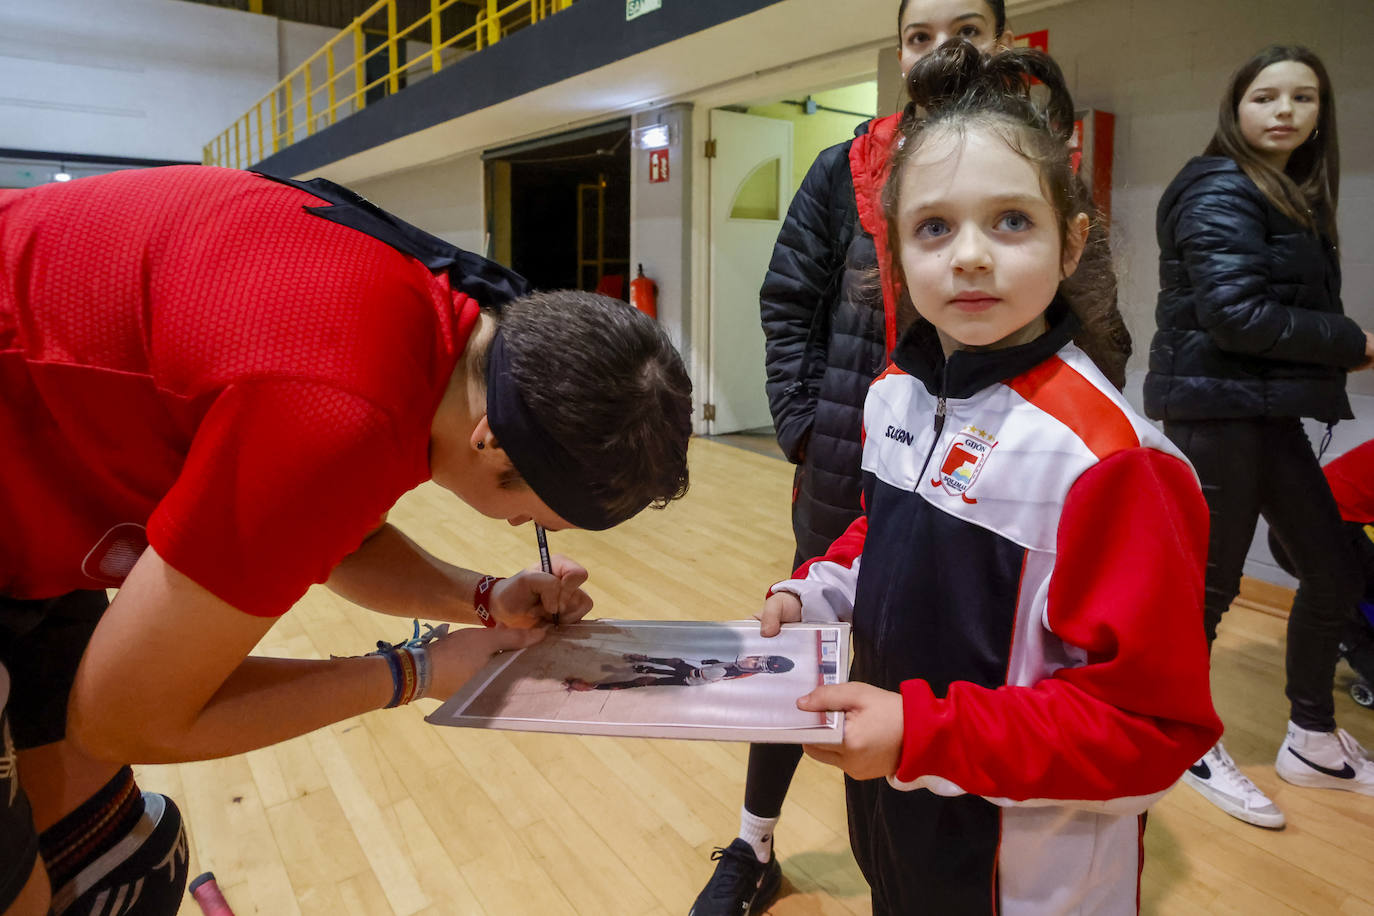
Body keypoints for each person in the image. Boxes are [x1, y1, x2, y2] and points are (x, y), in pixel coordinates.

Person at [0, 165, 693, 916]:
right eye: (534, 518)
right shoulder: (336, 413)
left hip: (39, 471)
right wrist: (415, 672)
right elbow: (121, 719)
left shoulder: (433, 317)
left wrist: (485, 598)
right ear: (495, 440)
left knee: (104, 853)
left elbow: (335, 540)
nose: (529, 530)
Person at [760, 42, 1223, 914]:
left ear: (1071, 238)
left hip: (1027, 879)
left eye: (1011, 220)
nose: (970, 255)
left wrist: (922, 733)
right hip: (901, 827)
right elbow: (884, 534)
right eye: (934, 227)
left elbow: (1151, 732)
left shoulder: (1112, 463)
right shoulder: (897, 390)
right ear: (895, 253)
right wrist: (818, 592)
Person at [692, 5, 1016, 914]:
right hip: (847, 462)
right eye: (918, 36)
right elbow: (789, 298)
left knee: (953, 658)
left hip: (977, 468)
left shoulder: (1032, 168)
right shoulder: (847, 169)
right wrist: (805, 424)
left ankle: (939, 867)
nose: (941, 49)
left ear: (1006, 40)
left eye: (966, 29)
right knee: (805, 639)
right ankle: (754, 843)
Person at [1145, 45, 1374, 829]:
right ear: (1235, 109)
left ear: (1320, 114)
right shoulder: (1219, 185)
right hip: (1214, 410)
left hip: (1261, 408)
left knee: (1336, 567)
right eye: (1265, 96)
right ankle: (1182, 742)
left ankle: (1311, 737)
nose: (1284, 111)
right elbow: (1233, 315)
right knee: (1207, 589)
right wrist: (1354, 342)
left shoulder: (1286, 192)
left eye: (1303, 98)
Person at [565, 654, 795, 690]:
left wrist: (711, 667)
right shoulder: (737, 666)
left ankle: (594, 686)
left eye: (755, 663)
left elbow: (696, 676)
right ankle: (645, 661)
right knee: (674, 660)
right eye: (756, 657)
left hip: (689, 678)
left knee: (646, 680)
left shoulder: (728, 673)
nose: (751, 660)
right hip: (699, 671)